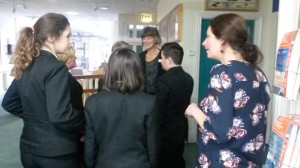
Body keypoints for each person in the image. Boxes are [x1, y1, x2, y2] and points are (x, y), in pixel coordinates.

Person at [185, 13, 271, 168]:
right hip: (251, 162)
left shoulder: (223, 72)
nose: (204, 43)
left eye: (208, 37)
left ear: (223, 40)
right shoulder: (259, 73)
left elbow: (219, 132)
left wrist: (194, 110)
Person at [1, 13, 84, 168]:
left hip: (29, 149)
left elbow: (9, 102)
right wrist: (88, 123)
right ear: (52, 37)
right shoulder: (55, 67)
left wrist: (38, 117)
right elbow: (61, 115)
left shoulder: (27, 63)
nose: (70, 41)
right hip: (56, 153)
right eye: (68, 36)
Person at [84, 48, 159, 168]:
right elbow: (152, 145)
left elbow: (89, 145)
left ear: (110, 70)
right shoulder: (149, 102)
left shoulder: (92, 102)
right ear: (136, 70)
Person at [156, 42, 194, 168]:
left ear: (169, 60)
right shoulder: (189, 78)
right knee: (178, 158)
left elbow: (160, 110)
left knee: (166, 161)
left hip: (166, 130)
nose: (160, 61)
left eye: (162, 58)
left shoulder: (164, 80)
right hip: (182, 127)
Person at [139, 26, 165, 94]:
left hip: (159, 95)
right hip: (143, 95)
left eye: (149, 38)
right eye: (143, 38)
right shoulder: (140, 56)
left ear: (156, 39)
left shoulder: (163, 54)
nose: (145, 41)